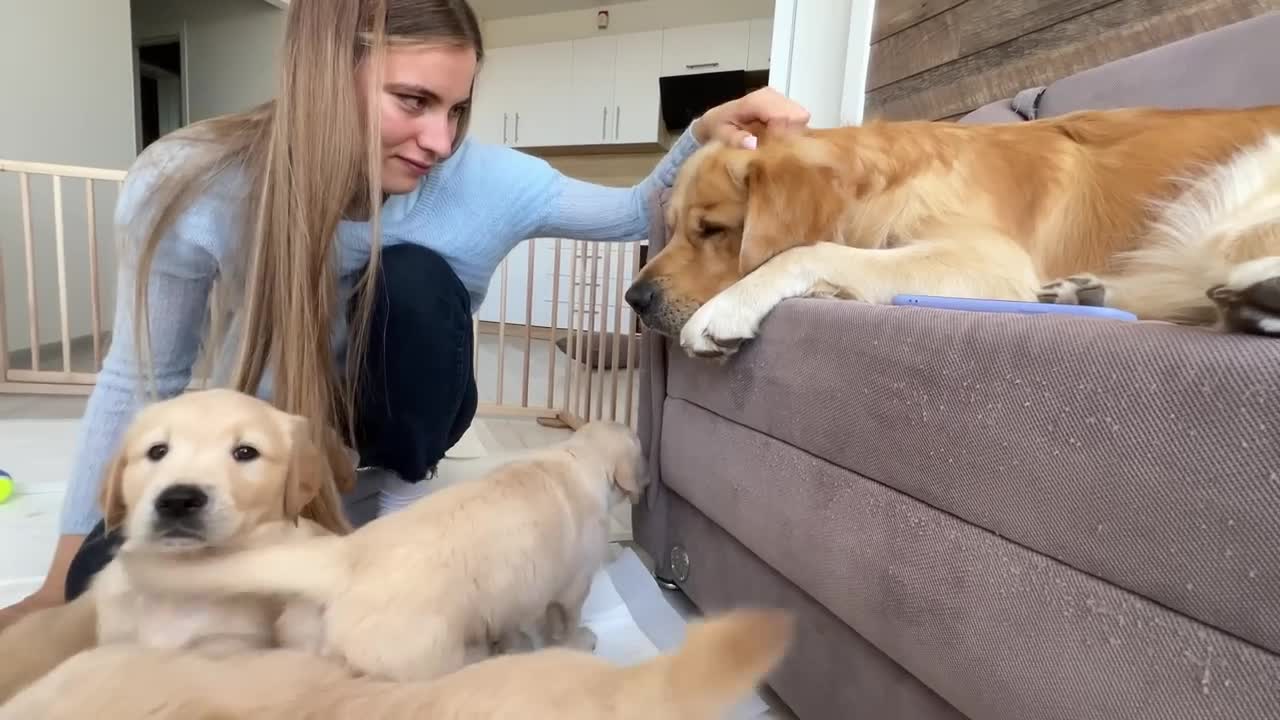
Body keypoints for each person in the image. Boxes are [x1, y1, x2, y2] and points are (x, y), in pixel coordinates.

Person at [0, 0, 809, 629]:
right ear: (325, 75)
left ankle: (401, 520)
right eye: (413, 100)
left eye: (455, 110)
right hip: (273, 464)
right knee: (96, 598)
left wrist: (702, 135)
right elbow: (142, 375)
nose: (439, 139)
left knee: (415, 279)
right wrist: (56, 577)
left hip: (397, 441)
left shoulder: (492, 181)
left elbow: (639, 212)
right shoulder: (190, 182)